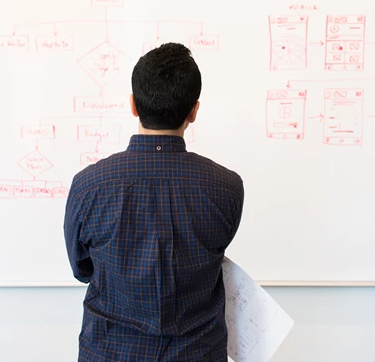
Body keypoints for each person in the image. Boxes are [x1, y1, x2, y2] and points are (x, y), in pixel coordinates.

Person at [63, 42, 245, 361]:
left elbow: (82, 269)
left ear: (133, 105)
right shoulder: (227, 187)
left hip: (110, 351)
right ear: (194, 111)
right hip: (197, 353)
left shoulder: (88, 185)